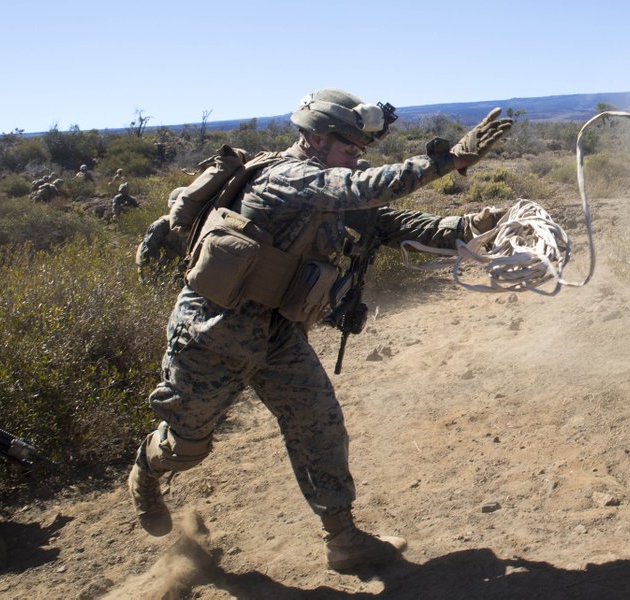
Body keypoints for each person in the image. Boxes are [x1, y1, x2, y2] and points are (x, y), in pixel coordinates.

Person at [127, 88, 512, 572]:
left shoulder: (333, 182)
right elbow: (360, 190)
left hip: (279, 336)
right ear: (312, 137)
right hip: (212, 334)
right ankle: (147, 467)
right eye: (348, 147)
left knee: (319, 425)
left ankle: (344, 540)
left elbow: (396, 224)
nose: (355, 156)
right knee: (187, 446)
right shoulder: (285, 178)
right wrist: (451, 160)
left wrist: (477, 224)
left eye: (359, 150)